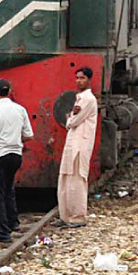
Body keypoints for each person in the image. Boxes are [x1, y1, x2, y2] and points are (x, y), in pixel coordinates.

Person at [0, 79, 34, 242]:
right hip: (15, 154)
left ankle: (2, 232)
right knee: (9, 187)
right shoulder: (20, 109)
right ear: (9, 91)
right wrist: (15, 141)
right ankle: (13, 222)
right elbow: (29, 135)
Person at [57, 67, 98, 228]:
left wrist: (70, 117)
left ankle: (78, 216)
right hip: (74, 142)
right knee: (66, 177)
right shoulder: (80, 98)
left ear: (89, 80)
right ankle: (66, 215)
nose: (79, 81)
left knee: (77, 179)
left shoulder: (88, 99)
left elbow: (73, 122)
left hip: (81, 144)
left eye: (82, 78)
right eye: (77, 78)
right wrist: (71, 117)